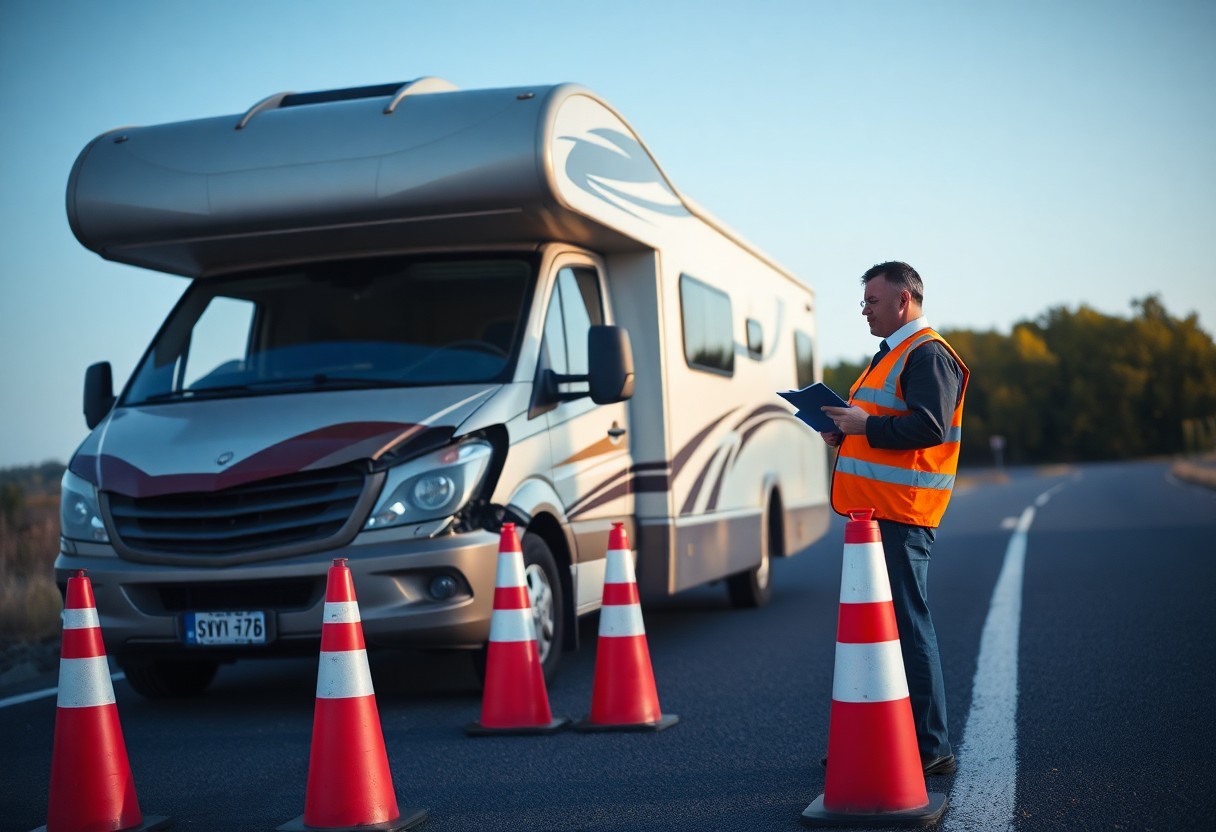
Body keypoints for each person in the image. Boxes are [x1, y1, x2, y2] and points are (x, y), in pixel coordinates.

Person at [820, 261, 969, 776]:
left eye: (872, 301)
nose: (864, 310)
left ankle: (931, 748)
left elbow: (927, 427)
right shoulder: (891, 355)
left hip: (903, 516)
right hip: (874, 516)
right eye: (863, 302)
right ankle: (878, 738)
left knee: (908, 627)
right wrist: (844, 430)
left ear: (904, 300)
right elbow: (881, 425)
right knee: (876, 631)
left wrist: (867, 425)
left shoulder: (928, 355)